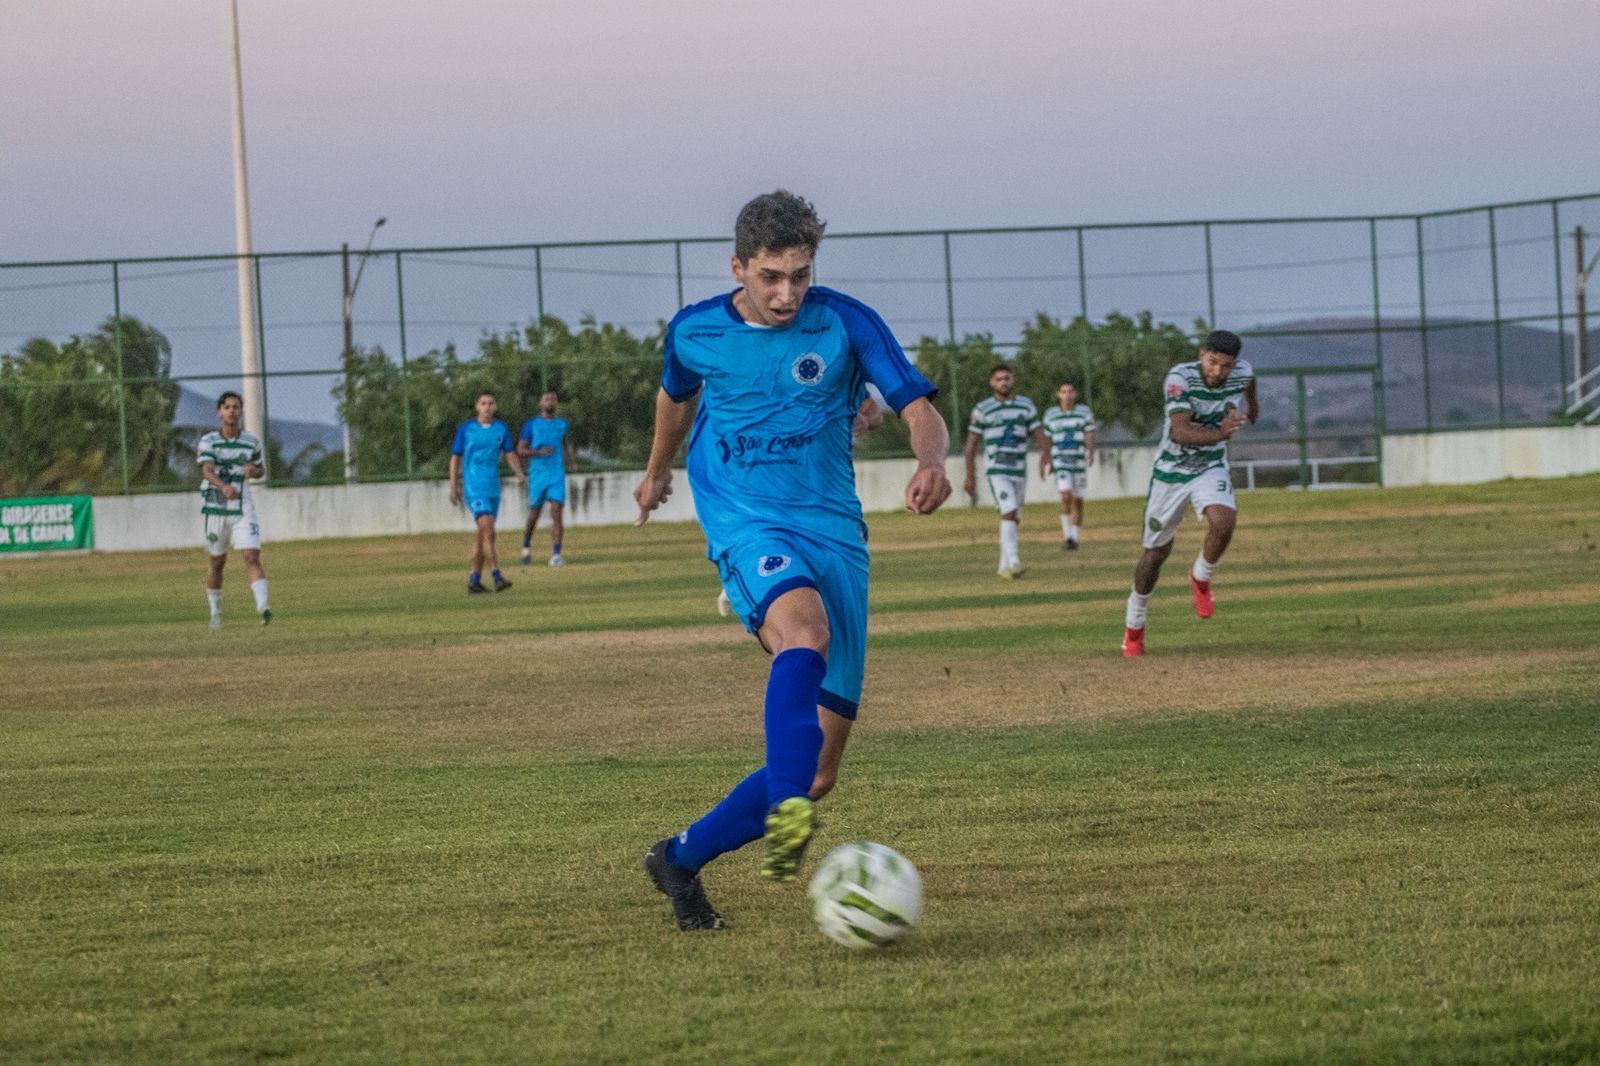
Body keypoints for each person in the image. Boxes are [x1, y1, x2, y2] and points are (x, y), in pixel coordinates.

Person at [635, 190, 951, 932]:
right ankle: (784, 809)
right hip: (745, 519)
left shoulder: (844, 320)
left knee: (820, 773)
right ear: (738, 266)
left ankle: (677, 859)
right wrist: (657, 469)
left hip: (834, 530)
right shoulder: (695, 330)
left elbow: (914, 405)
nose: (787, 293)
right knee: (802, 633)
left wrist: (932, 459)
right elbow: (673, 397)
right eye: (771, 276)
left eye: (800, 276)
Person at [1122, 330, 1257, 657]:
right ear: (1201, 355)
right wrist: (1222, 432)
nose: (1217, 372)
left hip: (1210, 467)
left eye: (1225, 366)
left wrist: (1252, 410)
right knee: (1155, 554)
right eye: (1212, 363)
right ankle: (1134, 624)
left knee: (1223, 522)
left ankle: (1201, 576)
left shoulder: (1242, 373)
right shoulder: (1179, 378)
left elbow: (1250, 384)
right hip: (1170, 473)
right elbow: (1181, 432)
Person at [964, 365, 1047, 578]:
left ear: (1013, 380)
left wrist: (1045, 456)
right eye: (999, 379)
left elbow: (1038, 434)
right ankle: (1015, 563)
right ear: (992, 383)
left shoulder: (1025, 406)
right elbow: (971, 444)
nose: (1003, 382)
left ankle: (1003, 567)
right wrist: (970, 477)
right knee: (1008, 510)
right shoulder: (983, 409)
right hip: (997, 470)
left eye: (1007, 378)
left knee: (1012, 517)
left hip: (1019, 470)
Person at [198, 391, 271, 627]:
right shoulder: (209, 441)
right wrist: (223, 486)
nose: (232, 411)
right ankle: (215, 611)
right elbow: (207, 470)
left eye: (236, 407)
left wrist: (253, 472)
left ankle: (263, 607)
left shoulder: (251, 442)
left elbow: (260, 469)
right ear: (219, 411)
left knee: (251, 556)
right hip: (216, 507)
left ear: (241, 412)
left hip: (242, 507)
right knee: (217, 562)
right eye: (227, 407)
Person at [448, 391, 525, 594]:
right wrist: (453, 485)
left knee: (483, 536)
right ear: (477, 407)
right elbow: (455, 457)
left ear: (495, 406)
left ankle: (474, 580)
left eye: (491, 403)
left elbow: (509, 453)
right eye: (483, 403)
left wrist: (520, 475)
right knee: (489, 530)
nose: (487, 407)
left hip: (493, 487)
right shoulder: (466, 429)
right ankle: (497, 576)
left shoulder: (501, 429)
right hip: (474, 488)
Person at [517, 390, 575, 567]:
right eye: (546, 399)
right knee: (534, 513)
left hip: (556, 474)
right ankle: (526, 544)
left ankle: (556, 555)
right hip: (538, 475)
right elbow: (520, 449)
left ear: (555, 404)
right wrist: (538, 452)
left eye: (552, 399)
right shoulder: (531, 424)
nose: (549, 402)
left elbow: (566, 444)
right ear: (540, 404)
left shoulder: (561, 424)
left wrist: (571, 462)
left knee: (557, 512)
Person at [1039, 382, 1096, 550]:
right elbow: (1046, 438)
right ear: (1058, 394)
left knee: (1078, 500)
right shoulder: (1051, 414)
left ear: (1075, 394)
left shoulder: (1084, 412)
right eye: (1064, 392)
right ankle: (1067, 537)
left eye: (1070, 391)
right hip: (1060, 461)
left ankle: (1075, 538)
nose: (1067, 395)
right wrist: (1045, 458)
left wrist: (1091, 451)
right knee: (1066, 496)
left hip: (1078, 461)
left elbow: (1090, 432)